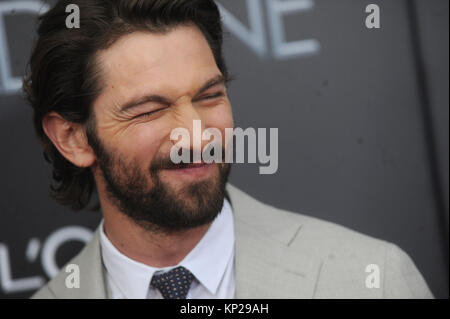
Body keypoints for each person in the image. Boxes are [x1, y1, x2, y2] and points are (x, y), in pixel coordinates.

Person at [25, 0, 432, 299]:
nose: (198, 135)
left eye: (209, 96)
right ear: (73, 138)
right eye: (151, 110)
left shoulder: (371, 279)